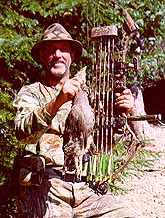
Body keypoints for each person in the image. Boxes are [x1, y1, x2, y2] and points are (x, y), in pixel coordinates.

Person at [13, 23, 136, 218]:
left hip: (85, 188)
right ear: (42, 57)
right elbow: (23, 133)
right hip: (47, 188)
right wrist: (58, 101)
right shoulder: (31, 93)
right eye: (51, 50)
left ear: (72, 56)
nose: (58, 54)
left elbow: (102, 145)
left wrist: (121, 114)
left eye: (63, 49)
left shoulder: (88, 96)